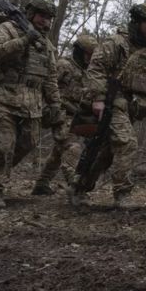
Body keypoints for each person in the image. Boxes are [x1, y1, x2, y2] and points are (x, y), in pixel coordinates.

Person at [69, 3, 146, 208]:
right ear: (138, 22)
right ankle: (123, 194)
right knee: (127, 143)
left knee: (105, 153)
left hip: (133, 109)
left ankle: (79, 187)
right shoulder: (116, 43)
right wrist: (97, 98)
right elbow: (96, 68)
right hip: (113, 104)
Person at [0, 0, 61, 209]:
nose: (46, 22)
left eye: (49, 18)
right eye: (42, 16)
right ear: (31, 14)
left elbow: (51, 77)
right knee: (4, 143)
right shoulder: (9, 28)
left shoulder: (46, 45)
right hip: (4, 97)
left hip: (32, 102)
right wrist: (25, 40)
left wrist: (54, 104)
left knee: (28, 143)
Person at [31, 34, 98, 195]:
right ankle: (76, 188)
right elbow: (46, 86)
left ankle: (41, 184)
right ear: (79, 52)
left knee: (58, 150)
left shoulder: (88, 72)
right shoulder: (63, 65)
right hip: (59, 113)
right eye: (88, 54)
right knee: (71, 147)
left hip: (77, 116)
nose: (89, 58)